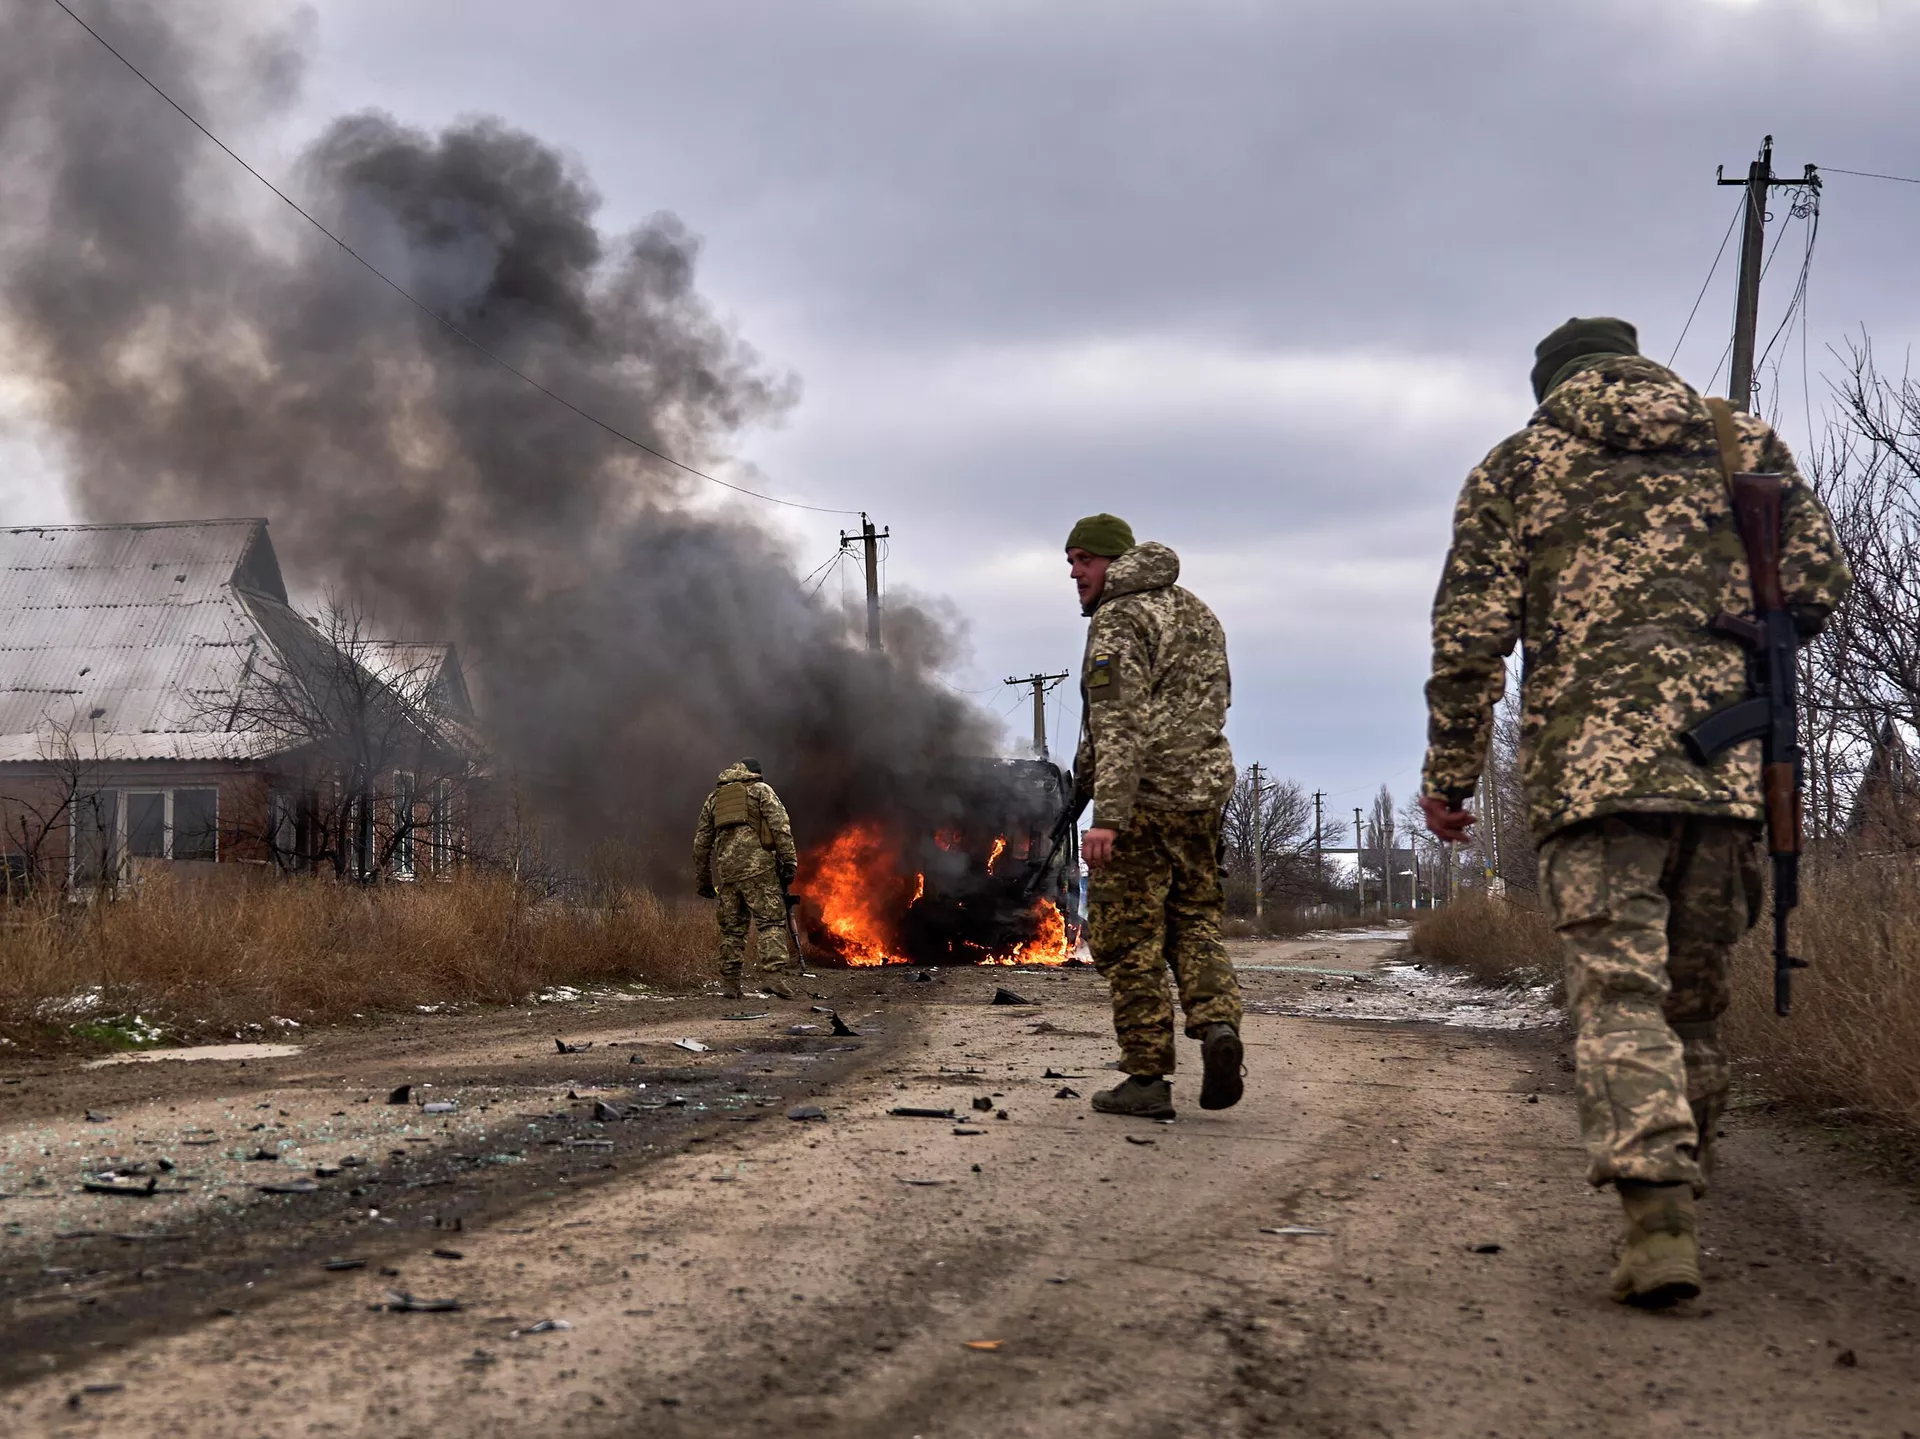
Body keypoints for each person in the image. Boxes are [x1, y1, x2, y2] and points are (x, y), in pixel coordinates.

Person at [1418, 317, 1850, 1307]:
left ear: (1550, 386)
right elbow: (1821, 583)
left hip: (1592, 783)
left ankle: (1658, 1218)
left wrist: (1451, 775)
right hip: (1729, 774)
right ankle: (1686, 1189)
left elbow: (1469, 639)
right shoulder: (1740, 442)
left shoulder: (1518, 464)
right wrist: (1734, 629)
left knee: (1619, 994)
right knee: (1693, 1004)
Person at [1066, 513, 1245, 1120]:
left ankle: (1147, 1079)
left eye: (1085, 560)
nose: (1075, 572)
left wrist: (1106, 816)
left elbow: (1117, 725)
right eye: (1071, 561)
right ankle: (1218, 1025)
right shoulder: (1197, 612)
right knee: (1194, 923)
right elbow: (1215, 703)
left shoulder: (1120, 618)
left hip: (1141, 804)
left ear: (1115, 562)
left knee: (1128, 941)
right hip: (1202, 801)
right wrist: (1077, 788)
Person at [692, 758, 801, 1001]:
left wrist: (704, 880)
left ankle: (730, 984)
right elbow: (781, 827)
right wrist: (789, 862)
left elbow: (701, 843)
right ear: (755, 774)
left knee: (732, 930)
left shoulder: (715, 798)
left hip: (728, 875)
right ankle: (773, 978)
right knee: (770, 922)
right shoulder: (761, 791)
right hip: (759, 870)